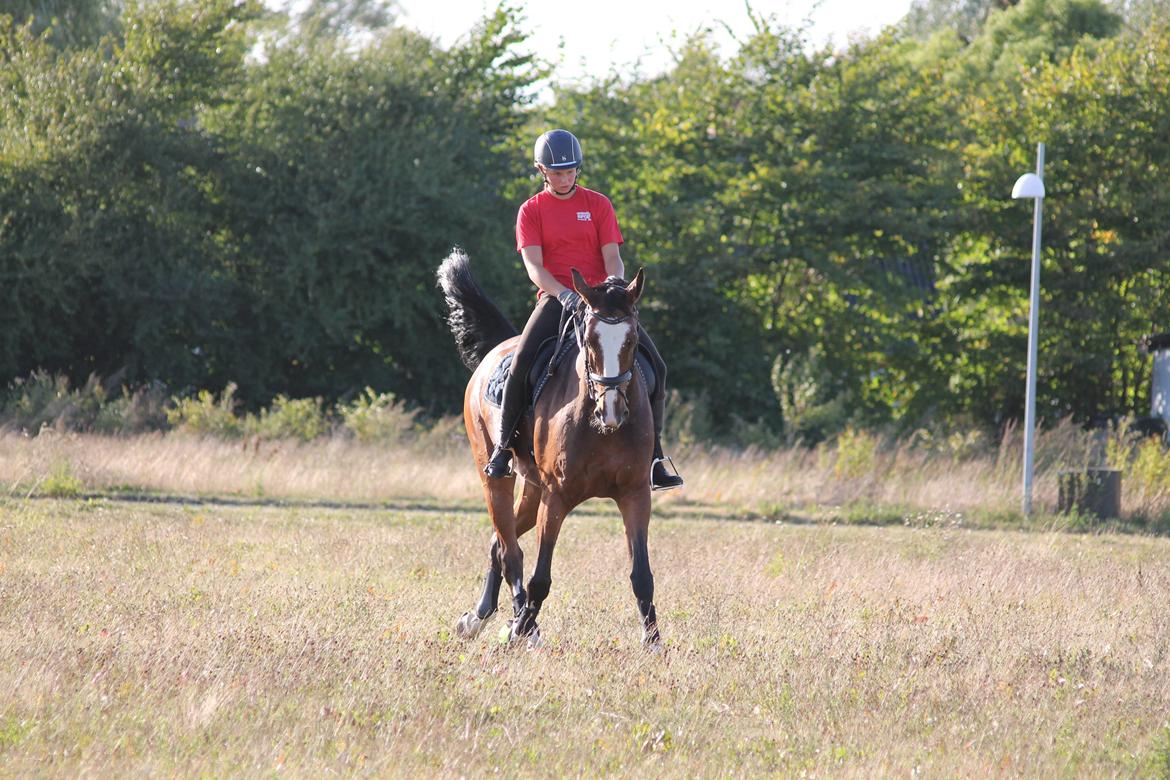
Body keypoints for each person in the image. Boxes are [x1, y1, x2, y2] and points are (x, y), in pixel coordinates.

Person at [483, 129, 684, 491]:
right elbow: (534, 267)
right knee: (520, 364)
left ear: (579, 168)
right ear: (541, 170)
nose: (564, 178)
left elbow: (613, 256)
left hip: (603, 300)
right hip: (556, 298)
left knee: (657, 366)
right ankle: (503, 448)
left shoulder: (598, 204)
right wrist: (564, 294)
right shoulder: (531, 210)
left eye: (570, 171)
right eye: (556, 172)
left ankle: (654, 457)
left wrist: (613, 284)